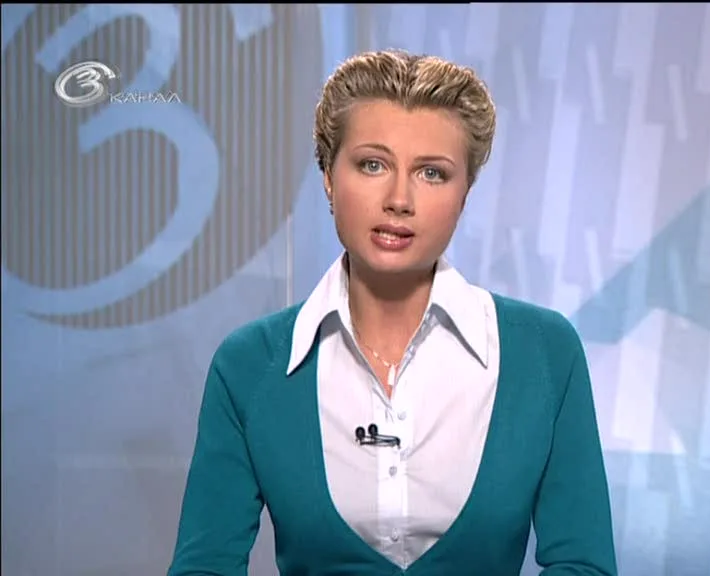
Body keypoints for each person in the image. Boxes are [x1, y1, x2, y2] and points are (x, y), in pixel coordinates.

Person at [168, 49, 618, 576]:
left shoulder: (544, 352)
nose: (399, 199)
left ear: (465, 193)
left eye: (432, 173)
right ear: (328, 176)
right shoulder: (249, 366)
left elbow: (583, 565)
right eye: (372, 165)